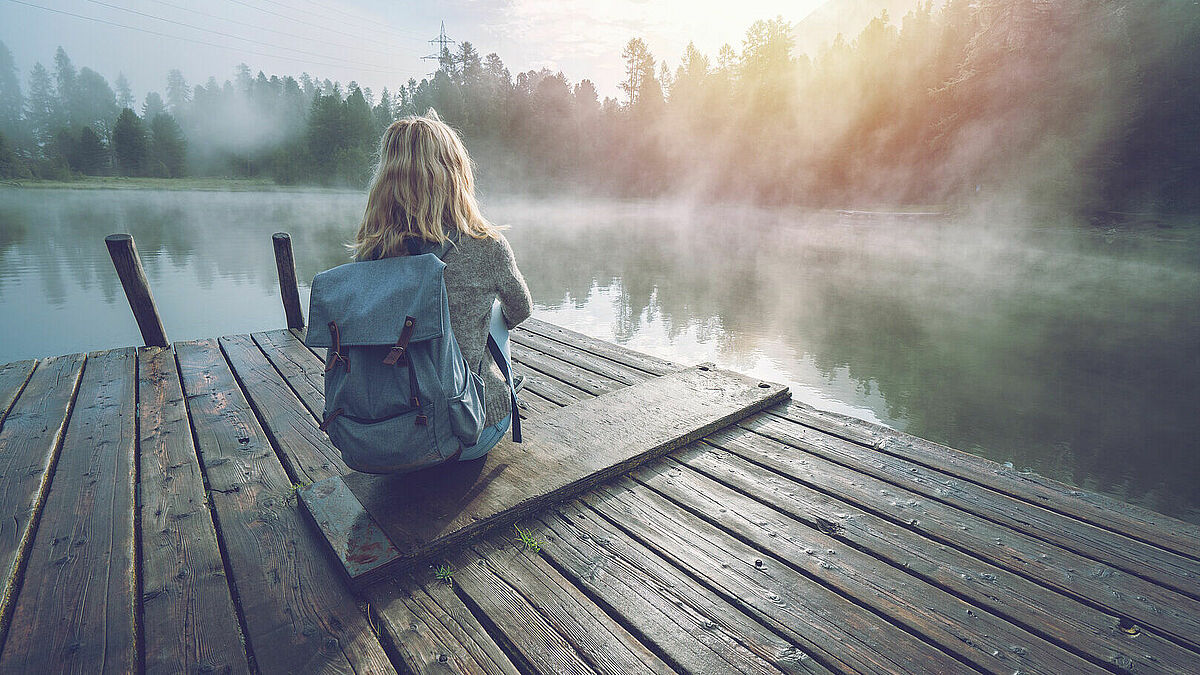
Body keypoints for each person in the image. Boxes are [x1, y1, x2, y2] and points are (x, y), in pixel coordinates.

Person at [350, 110, 532, 461]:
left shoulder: (371, 252)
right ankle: (494, 390)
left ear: (387, 180)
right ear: (455, 176)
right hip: (465, 437)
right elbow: (520, 309)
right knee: (494, 311)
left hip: (385, 436)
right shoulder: (486, 245)